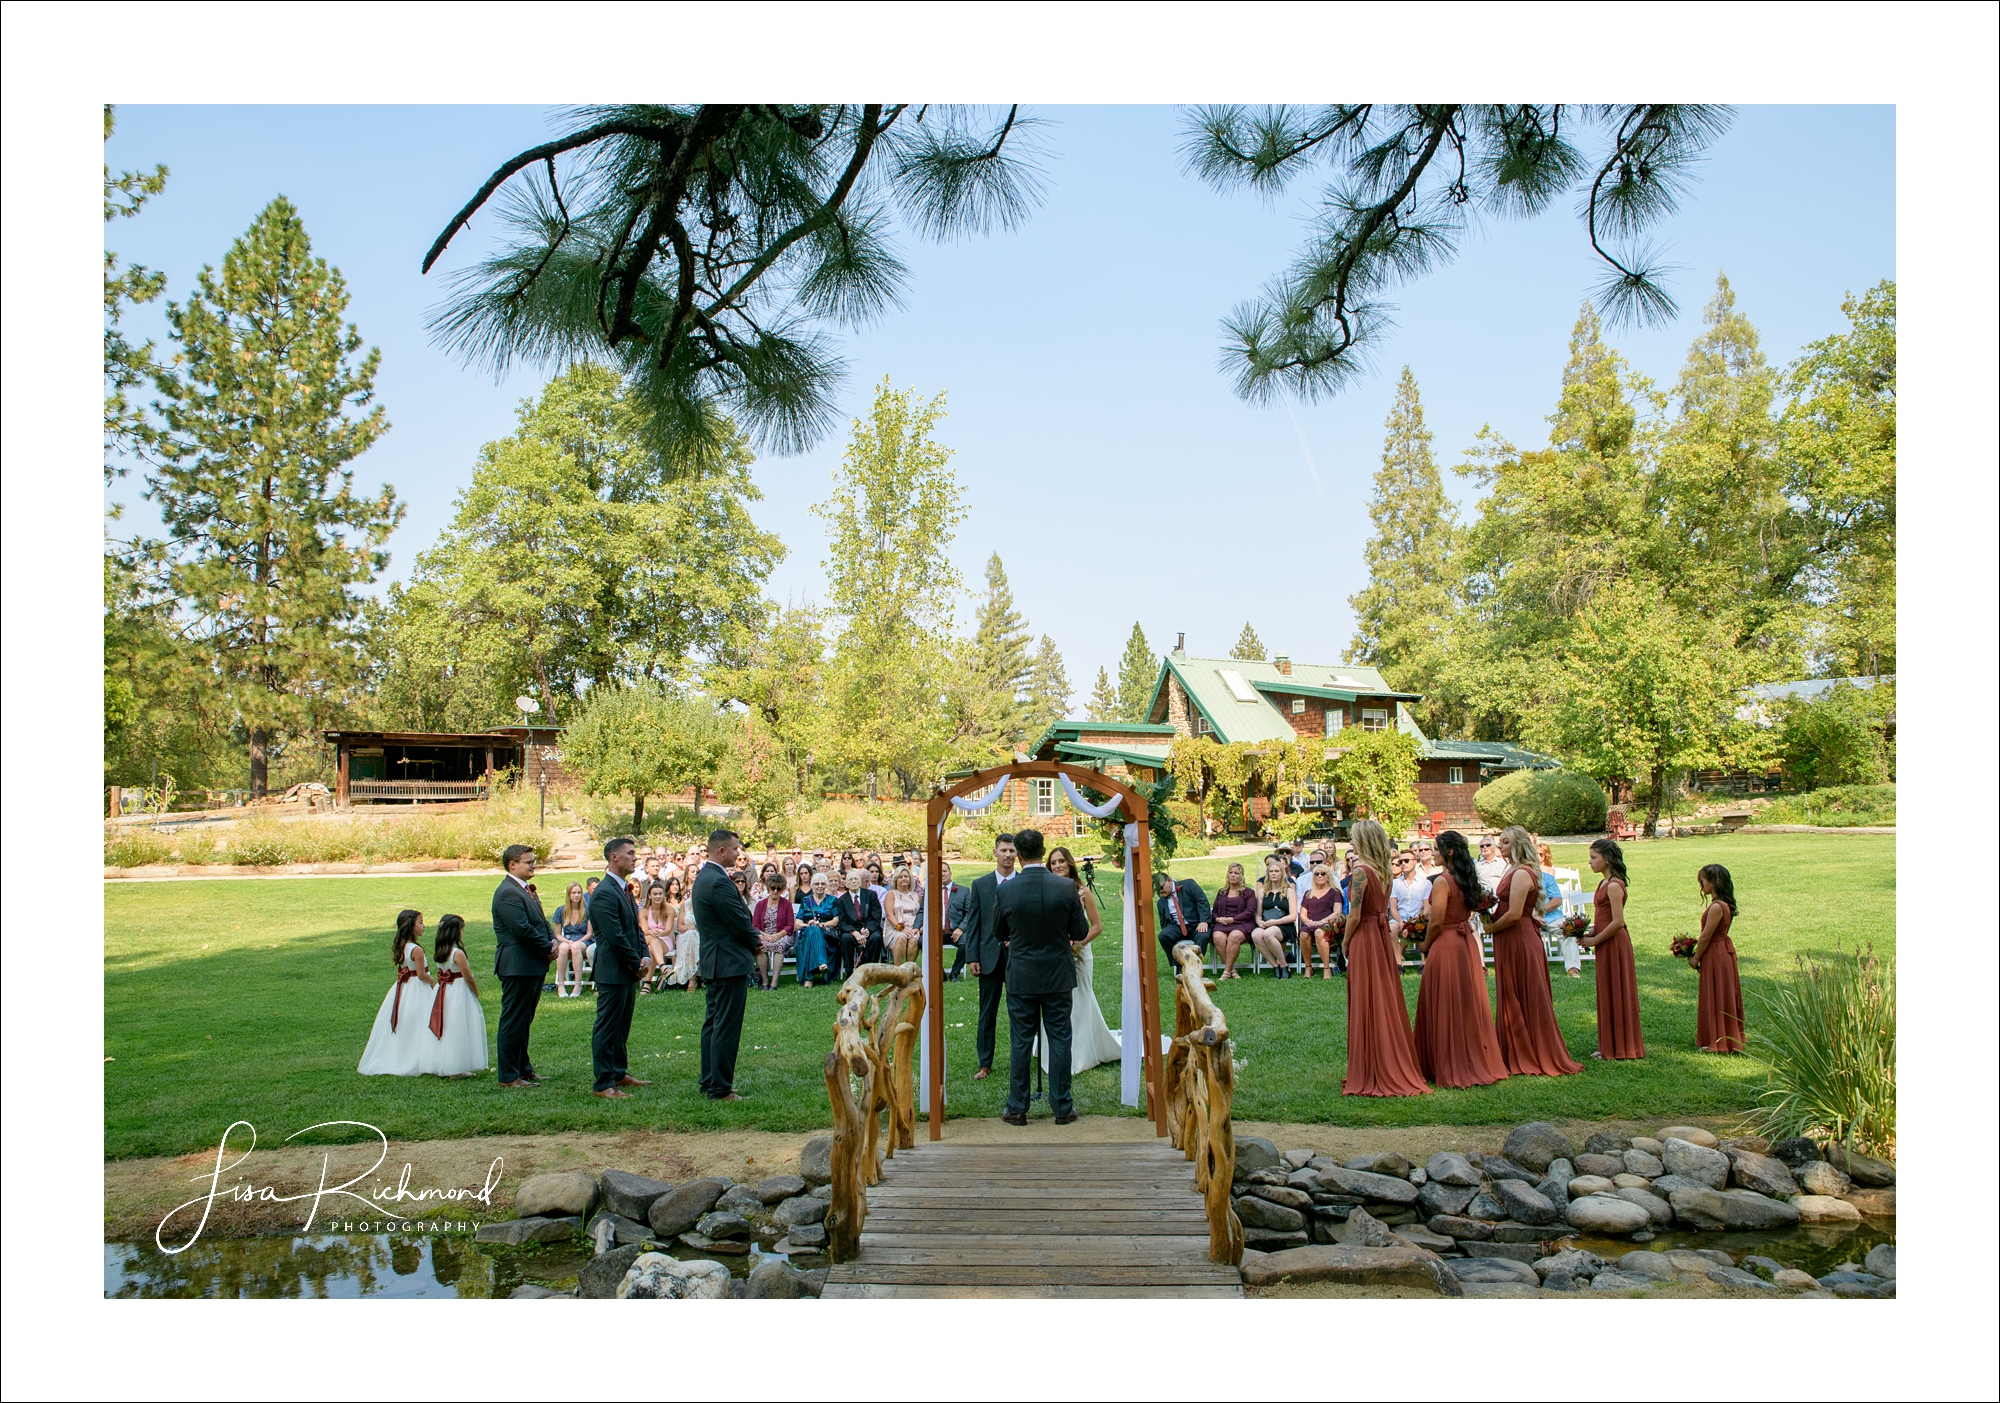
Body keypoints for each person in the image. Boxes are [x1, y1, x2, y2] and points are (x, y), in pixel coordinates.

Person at [993, 827, 1090, 1125]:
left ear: (1019, 855)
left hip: (1021, 975)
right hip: (1058, 974)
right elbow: (1080, 932)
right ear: (1043, 850)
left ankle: (1017, 1108)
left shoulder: (1007, 889)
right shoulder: (1064, 888)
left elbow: (999, 932)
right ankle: (1062, 1108)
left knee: (1021, 1041)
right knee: (1060, 1039)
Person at [1339, 819, 1430, 1097]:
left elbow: (1354, 914)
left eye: (1355, 839)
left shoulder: (1361, 872)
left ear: (1364, 841)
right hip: (1379, 935)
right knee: (1381, 995)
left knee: (1367, 995)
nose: (1351, 843)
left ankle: (1371, 1066)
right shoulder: (1384, 872)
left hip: (1366, 936)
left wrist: (1344, 943)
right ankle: (1382, 1058)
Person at [1486, 826, 1584, 1078]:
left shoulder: (1521, 873)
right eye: (1499, 843)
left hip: (1518, 938)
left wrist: (1491, 928)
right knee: (1511, 991)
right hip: (1509, 937)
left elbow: (1516, 914)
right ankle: (1512, 1049)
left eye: (1505, 842)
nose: (1500, 847)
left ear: (1518, 844)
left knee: (1523, 991)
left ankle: (1530, 1051)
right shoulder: (1513, 869)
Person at [1412, 831, 1507, 1088]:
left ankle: (1446, 1061)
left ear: (1450, 852)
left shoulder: (1443, 881)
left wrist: (1425, 943)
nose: (1433, 853)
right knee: (1466, 1001)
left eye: (1436, 849)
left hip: (1447, 943)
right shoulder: (1466, 877)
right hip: (1465, 943)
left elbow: (1437, 920)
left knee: (1445, 1000)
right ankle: (1471, 1056)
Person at [1041, 846, 1123, 1075]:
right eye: (1053, 862)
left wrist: (1076, 944)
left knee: (1080, 999)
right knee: (1056, 1003)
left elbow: (1097, 927)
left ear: (1070, 864)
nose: (1057, 866)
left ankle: (1081, 1053)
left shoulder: (1082, 891)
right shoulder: (1047, 890)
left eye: (1061, 862)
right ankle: (1055, 1050)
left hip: (1081, 955)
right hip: (1054, 956)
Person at [694, 829, 761, 1100]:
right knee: (725, 1026)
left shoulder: (705, 877)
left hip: (716, 959)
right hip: (728, 961)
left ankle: (709, 1080)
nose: (738, 853)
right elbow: (738, 920)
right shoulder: (717, 881)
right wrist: (755, 942)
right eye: (735, 849)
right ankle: (720, 1088)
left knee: (713, 1022)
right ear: (721, 851)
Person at [586, 837, 654, 1099]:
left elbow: (634, 929)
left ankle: (618, 1072)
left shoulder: (624, 888)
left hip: (628, 968)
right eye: (630, 853)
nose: (634, 857)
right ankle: (604, 1083)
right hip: (613, 970)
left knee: (621, 1026)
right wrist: (635, 962)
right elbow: (614, 936)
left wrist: (645, 955)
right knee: (607, 1026)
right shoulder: (604, 892)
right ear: (614, 857)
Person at [491, 844, 555, 1089]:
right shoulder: (508, 893)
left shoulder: (526, 890)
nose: (533, 865)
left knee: (525, 1019)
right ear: (512, 865)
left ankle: (524, 1068)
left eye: (533, 861)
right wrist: (548, 948)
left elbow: (541, 921)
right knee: (513, 1020)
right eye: (528, 862)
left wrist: (552, 940)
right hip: (517, 964)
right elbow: (522, 930)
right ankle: (508, 1076)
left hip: (532, 964)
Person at [961, 832, 1019, 1080]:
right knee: (987, 1012)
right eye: (1004, 850)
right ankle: (985, 1063)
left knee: (1020, 1011)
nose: (1008, 855)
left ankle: (1021, 1060)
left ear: (1018, 854)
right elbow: (973, 924)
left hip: (1018, 957)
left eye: (1012, 851)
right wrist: (972, 957)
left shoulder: (1024, 882)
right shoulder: (981, 885)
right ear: (995, 852)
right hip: (988, 958)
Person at [1580, 838, 1644, 1059]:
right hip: (1604, 940)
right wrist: (1589, 932)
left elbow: (1617, 922)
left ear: (1607, 859)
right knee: (1607, 991)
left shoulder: (1615, 885)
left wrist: (1595, 940)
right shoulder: (1602, 884)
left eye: (1593, 857)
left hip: (1614, 943)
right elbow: (1604, 919)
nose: (1590, 862)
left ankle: (1622, 1046)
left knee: (1617, 989)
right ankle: (1609, 1045)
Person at [358, 909, 436, 1076]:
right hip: (417, 988)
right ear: (411, 926)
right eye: (421, 923)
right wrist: (433, 982)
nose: (424, 926)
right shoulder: (417, 950)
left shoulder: (401, 947)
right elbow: (421, 974)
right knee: (421, 1020)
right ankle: (418, 1057)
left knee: (406, 1020)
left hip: (404, 987)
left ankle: (401, 1054)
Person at [423, 914, 489, 1077]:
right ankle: (456, 1066)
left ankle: (444, 1061)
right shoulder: (457, 953)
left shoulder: (440, 952)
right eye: (461, 930)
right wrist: (474, 991)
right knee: (458, 1025)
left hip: (443, 990)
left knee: (447, 1024)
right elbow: (468, 976)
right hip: (458, 990)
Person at [1693, 863, 1745, 1053]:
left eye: (1703, 882)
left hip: (1716, 952)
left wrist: (1695, 958)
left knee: (1718, 993)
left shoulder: (1716, 907)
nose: (1701, 886)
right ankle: (1720, 1036)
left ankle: (1721, 1040)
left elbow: (1706, 936)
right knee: (1721, 992)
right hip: (1722, 950)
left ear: (1712, 883)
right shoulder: (1723, 904)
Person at [1298, 851, 1345, 980]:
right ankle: (1308, 967)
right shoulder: (1308, 893)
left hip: (1328, 923)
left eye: (1323, 873)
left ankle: (1326, 968)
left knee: (1319, 933)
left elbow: (1337, 912)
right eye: (1316, 874)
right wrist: (1308, 921)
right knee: (1303, 934)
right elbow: (1303, 913)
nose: (1319, 876)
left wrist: (1322, 921)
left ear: (1328, 875)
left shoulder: (1335, 892)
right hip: (1311, 922)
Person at [1538, 840, 1581, 977]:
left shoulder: (1547, 877)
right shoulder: (1520, 877)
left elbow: (1557, 900)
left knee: (1567, 931)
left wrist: (1539, 912)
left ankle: (1573, 968)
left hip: (1551, 916)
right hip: (1528, 918)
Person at [833, 867, 885, 980]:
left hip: (869, 927)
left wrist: (868, 930)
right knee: (845, 939)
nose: (853, 881)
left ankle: (871, 972)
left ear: (860, 881)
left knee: (876, 937)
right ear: (846, 883)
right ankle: (850, 973)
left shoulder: (871, 895)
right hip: (851, 930)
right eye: (850, 879)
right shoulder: (841, 900)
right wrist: (855, 932)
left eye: (856, 879)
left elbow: (876, 915)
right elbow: (842, 921)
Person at [1252, 853, 1299, 977]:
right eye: (1271, 871)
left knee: (1268, 934)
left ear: (1282, 873)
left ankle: (1284, 965)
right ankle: (1275, 965)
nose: (1273, 873)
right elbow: (1258, 914)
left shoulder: (1289, 891)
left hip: (1284, 925)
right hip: (1266, 923)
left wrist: (1275, 922)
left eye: (1276, 871)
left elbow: (1293, 916)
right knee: (1256, 934)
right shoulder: (1262, 892)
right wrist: (1259, 922)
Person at [1209, 863, 1258, 979]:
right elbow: (1214, 910)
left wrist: (1233, 919)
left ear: (1241, 876)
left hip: (1242, 923)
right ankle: (1232, 969)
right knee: (1217, 937)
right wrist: (1217, 918)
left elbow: (1250, 911)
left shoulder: (1248, 892)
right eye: (1230, 873)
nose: (1233, 875)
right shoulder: (1222, 892)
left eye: (1236, 873)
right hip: (1223, 923)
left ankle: (1226, 972)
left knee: (1234, 937)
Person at [1154, 870, 1212, 965]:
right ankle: (1179, 965)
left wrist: (1204, 921)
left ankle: (1195, 965)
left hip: (1196, 924)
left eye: (1161, 887)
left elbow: (1202, 901)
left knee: (1202, 936)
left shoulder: (1189, 885)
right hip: (1177, 927)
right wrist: (1167, 930)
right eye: (1157, 890)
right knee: (1163, 935)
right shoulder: (1161, 902)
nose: (1160, 891)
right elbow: (1163, 922)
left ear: (1169, 880)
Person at [753, 869, 795, 991]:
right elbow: (755, 926)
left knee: (780, 946)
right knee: (760, 946)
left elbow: (790, 925)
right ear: (768, 888)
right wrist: (765, 935)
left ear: (782, 890)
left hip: (782, 934)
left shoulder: (786, 904)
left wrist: (778, 935)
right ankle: (765, 982)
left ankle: (774, 983)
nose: (775, 891)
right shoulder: (760, 904)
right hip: (764, 934)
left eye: (779, 889)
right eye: (773, 888)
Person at [794, 871, 839, 986]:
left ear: (826, 886)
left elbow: (836, 920)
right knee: (813, 930)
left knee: (816, 930)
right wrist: (809, 925)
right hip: (807, 934)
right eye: (817, 884)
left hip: (826, 934)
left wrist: (822, 925)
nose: (820, 886)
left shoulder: (832, 900)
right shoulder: (805, 901)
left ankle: (809, 978)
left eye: (822, 884)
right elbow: (798, 922)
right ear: (812, 886)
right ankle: (821, 964)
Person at [552, 883, 592, 998]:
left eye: (579, 893)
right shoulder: (560, 911)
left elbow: (590, 933)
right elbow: (558, 934)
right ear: (569, 894)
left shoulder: (587, 910)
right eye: (573, 893)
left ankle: (577, 984)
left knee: (575, 947)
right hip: (567, 939)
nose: (576, 895)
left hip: (584, 940)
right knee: (563, 947)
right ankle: (560, 985)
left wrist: (578, 942)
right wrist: (567, 941)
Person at [638, 881, 675, 993]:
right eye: (655, 894)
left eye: (660, 894)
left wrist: (659, 933)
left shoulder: (669, 909)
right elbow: (644, 930)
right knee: (652, 943)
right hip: (649, 937)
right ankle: (663, 968)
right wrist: (652, 932)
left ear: (664, 895)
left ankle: (647, 984)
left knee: (651, 949)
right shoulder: (644, 911)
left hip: (665, 938)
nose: (658, 896)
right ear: (649, 895)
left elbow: (668, 930)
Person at [937, 862, 972, 980]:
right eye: (939, 872)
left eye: (944, 871)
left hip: (956, 930)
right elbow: (923, 911)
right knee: (923, 941)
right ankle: (940, 973)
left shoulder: (964, 891)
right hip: (937, 932)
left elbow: (970, 913)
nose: (942, 874)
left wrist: (960, 928)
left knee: (968, 942)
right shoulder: (930, 891)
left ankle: (955, 972)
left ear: (950, 873)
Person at [1388, 847, 1432, 939]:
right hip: (1399, 919)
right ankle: (1397, 954)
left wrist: (1415, 922)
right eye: (1401, 862)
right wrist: (1400, 921)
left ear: (1415, 862)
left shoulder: (1425, 883)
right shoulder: (1395, 883)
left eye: (1406, 861)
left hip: (1418, 920)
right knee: (1392, 927)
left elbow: (1427, 907)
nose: (1403, 864)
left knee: (1422, 927)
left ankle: (1400, 953)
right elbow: (1393, 908)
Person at [884, 866, 923, 964]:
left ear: (910, 879)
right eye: (900, 877)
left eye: (906, 876)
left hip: (913, 928)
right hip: (895, 928)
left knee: (914, 940)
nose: (904, 879)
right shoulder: (891, 894)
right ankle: (898, 970)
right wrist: (902, 929)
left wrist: (918, 928)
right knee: (901, 937)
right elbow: (889, 915)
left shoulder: (917, 896)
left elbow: (922, 914)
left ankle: (908, 970)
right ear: (896, 880)